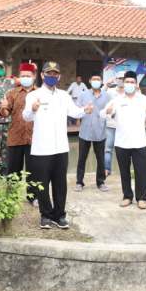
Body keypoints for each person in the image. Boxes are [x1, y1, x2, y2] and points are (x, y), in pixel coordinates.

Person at [23, 61, 90, 229]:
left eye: (55, 74)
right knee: (42, 184)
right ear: (42, 75)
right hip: (41, 148)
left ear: (59, 76)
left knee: (60, 184)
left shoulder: (64, 96)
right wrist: (33, 108)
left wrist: (85, 110)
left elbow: (74, 111)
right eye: (49, 73)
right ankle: (45, 215)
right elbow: (26, 116)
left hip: (61, 147)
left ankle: (59, 215)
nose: (52, 76)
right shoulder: (34, 95)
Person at [102, 70, 146, 209]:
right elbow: (103, 113)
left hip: (139, 142)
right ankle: (127, 196)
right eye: (127, 82)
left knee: (141, 172)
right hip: (122, 142)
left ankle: (141, 198)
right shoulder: (117, 100)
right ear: (123, 83)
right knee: (124, 172)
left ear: (136, 84)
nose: (129, 84)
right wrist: (108, 112)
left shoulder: (143, 99)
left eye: (132, 82)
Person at [0, 62, 38, 205]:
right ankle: (11, 197)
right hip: (15, 137)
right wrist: (3, 108)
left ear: (34, 77)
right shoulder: (12, 93)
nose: (26, 77)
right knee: (13, 170)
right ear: (19, 77)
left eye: (28, 75)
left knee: (34, 170)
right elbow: (5, 112)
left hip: (34, 139)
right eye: (23, 76)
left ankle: (33, 197)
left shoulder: (39, 93)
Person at [75, 72, 110, 192]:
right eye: (94, 79)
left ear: (101, 82)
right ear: (90, 81)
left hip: (100, 133)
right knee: (81, 158)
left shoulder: (107, 96)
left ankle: (101, 182)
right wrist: (84, 110)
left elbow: (110, 111)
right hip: (84, 133)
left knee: (101, 159)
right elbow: (76, 109)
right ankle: (79, 182)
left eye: (98, 79)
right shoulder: (83, 95)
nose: (96, 81)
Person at [103, 75, 125, 177]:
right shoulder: (111, 91)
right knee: (108, 148)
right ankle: (107, 169)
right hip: (110, 125)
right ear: (116, 80)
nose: (121, 80)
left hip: (123, 126)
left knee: (124, 149)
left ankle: (124, 171)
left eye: (123, 79)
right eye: (119, 78)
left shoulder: (129, 93)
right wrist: (106, 85)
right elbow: (101, 95)